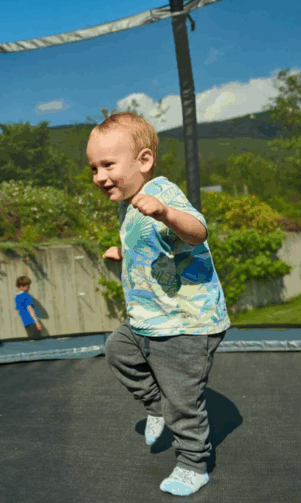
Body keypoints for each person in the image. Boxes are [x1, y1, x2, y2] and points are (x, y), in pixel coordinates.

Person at [86, 113, 230, 497]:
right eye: (94, 168)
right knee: (118, 351)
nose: (99, 176)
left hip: (185, 321)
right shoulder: (128, 203)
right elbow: (153, 243)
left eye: (108, 165)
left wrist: (166, 212)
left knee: (183, 398)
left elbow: (197, 232)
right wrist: (125, 251)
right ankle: (156, 406)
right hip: (150, 317)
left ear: (144, 161)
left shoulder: (162, 193)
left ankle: (193, 464)